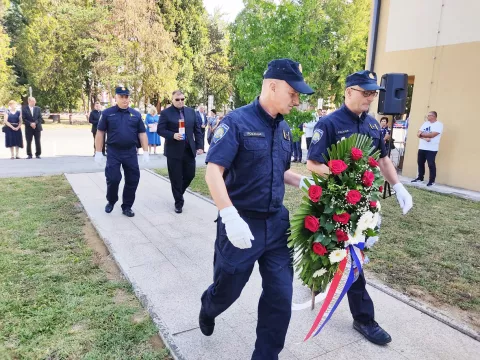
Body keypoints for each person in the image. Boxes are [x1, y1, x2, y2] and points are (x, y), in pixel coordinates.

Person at [199, 58, 314, 359]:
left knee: (280, 296)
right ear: (273, 86)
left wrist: (301, 182)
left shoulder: (286, 129)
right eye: (293, 93)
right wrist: (229, 215)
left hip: (276, 226)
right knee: (227, 291)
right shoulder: (236, 122)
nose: (297, 100)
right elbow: (213, 172)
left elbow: (279, 171)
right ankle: (208, 307)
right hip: (240, 222)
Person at [306, 70, 413, 346]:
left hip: (364, 205)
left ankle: (359, 314)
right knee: (342, 255)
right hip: (336, 204)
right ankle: (361, 315)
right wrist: (342, 178)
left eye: (373, 93)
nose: (370, 98)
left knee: (353, 258)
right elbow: (313, 163)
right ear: (349, 91)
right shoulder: (329, 124)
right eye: (365, 92)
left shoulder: (374, 126)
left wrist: (398, 186)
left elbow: (384, 160)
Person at [94, 87, 149, 218]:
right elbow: (100, 132)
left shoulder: (135, 114)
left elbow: (142, 133)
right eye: (121, 97)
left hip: (130, 152)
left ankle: (127, 206)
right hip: (114, 151)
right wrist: (98, 152)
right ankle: (111, 200)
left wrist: (146, 152)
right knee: (113, 178)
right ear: (116, 98)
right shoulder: (108, 113)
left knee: (133, 179)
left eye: (126, 97)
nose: (125, 99)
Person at [157, 90, 204, 213]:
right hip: (174, 151)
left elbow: (197, 130)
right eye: (177, 100)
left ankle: (178, 193)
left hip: (189, 150)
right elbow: (160, 130)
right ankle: (178, 202)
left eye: (182, 99)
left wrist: (200, 146)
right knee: (176, 178)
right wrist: (173, 135)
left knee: (190, 175)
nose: (180, 102)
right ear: (172, 100)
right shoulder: (166, 113)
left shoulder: (190, 112)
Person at [411, 111, 443, 186]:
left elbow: (432, 135)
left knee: (431, 164)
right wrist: (425, 137)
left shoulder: (439, 125)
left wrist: (422, 134)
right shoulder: (425, 124)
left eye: (429, 115)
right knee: (420, 162)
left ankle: (432, 181)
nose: (427, 117)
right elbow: (418, 133)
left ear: (434, 116)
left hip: (432, 148)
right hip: (422, 147)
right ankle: (420, 178)